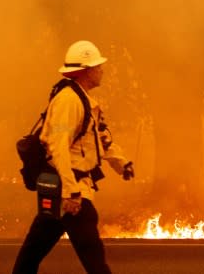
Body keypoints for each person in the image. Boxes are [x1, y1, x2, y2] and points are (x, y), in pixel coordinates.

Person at [13, 40, 134, 274]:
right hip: (70, 192)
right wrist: (71, 192)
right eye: (97, 66)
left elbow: (100, 139)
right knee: (94, 259)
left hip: (61, 190)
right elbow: (58, 147)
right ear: (86, 71)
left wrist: (122, 163)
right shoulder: (69, 101)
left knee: (33, 251)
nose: (102, 70)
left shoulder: (83, 100)